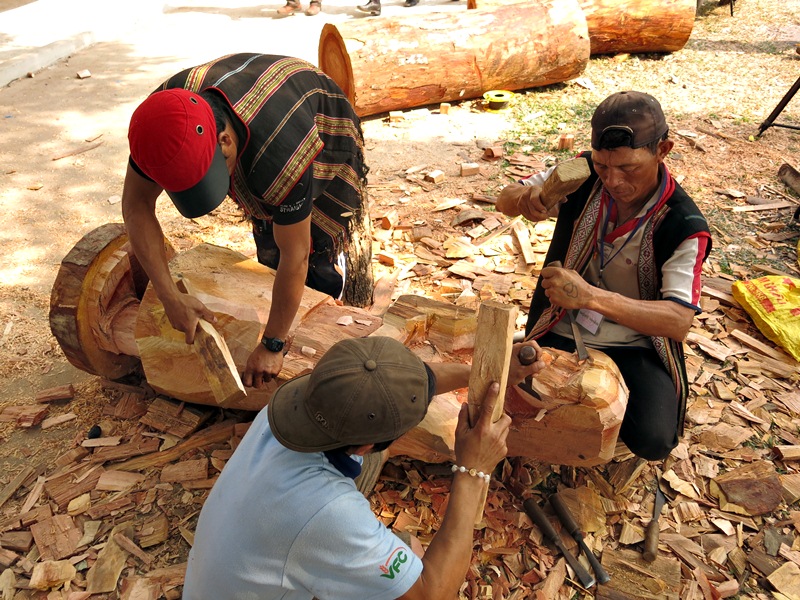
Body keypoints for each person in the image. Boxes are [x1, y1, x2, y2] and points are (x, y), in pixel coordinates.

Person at [182, 335, 546, 600]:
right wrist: (472, 470)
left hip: (239, 571)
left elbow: (421, 379)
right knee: (415, 562)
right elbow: (430, 596)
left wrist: (488, 371)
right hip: (296, 535)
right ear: (366, 444)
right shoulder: (328, 513)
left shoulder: (292, 406)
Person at [122, 54, 372, 390]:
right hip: (252, 125)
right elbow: (137, 205)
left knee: (315, 248)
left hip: (316, 117)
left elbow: (295, 255)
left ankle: (326, 308)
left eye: (211, 174)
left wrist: (273, 344)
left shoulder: (282, 153)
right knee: (269, 233)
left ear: (224, 141)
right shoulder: (157, 127)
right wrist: (170, 296)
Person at [496, 91, 712, 462]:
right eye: (603, 165)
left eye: (628, 168)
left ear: (663, 150)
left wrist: (591, 298)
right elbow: (505, 197)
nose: (612, 180)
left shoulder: (683, 224)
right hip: (561, 325)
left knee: (654, 439)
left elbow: (678, 321)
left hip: (633, 345)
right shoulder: (581, 173)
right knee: (503, 402)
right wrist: (526, 198)